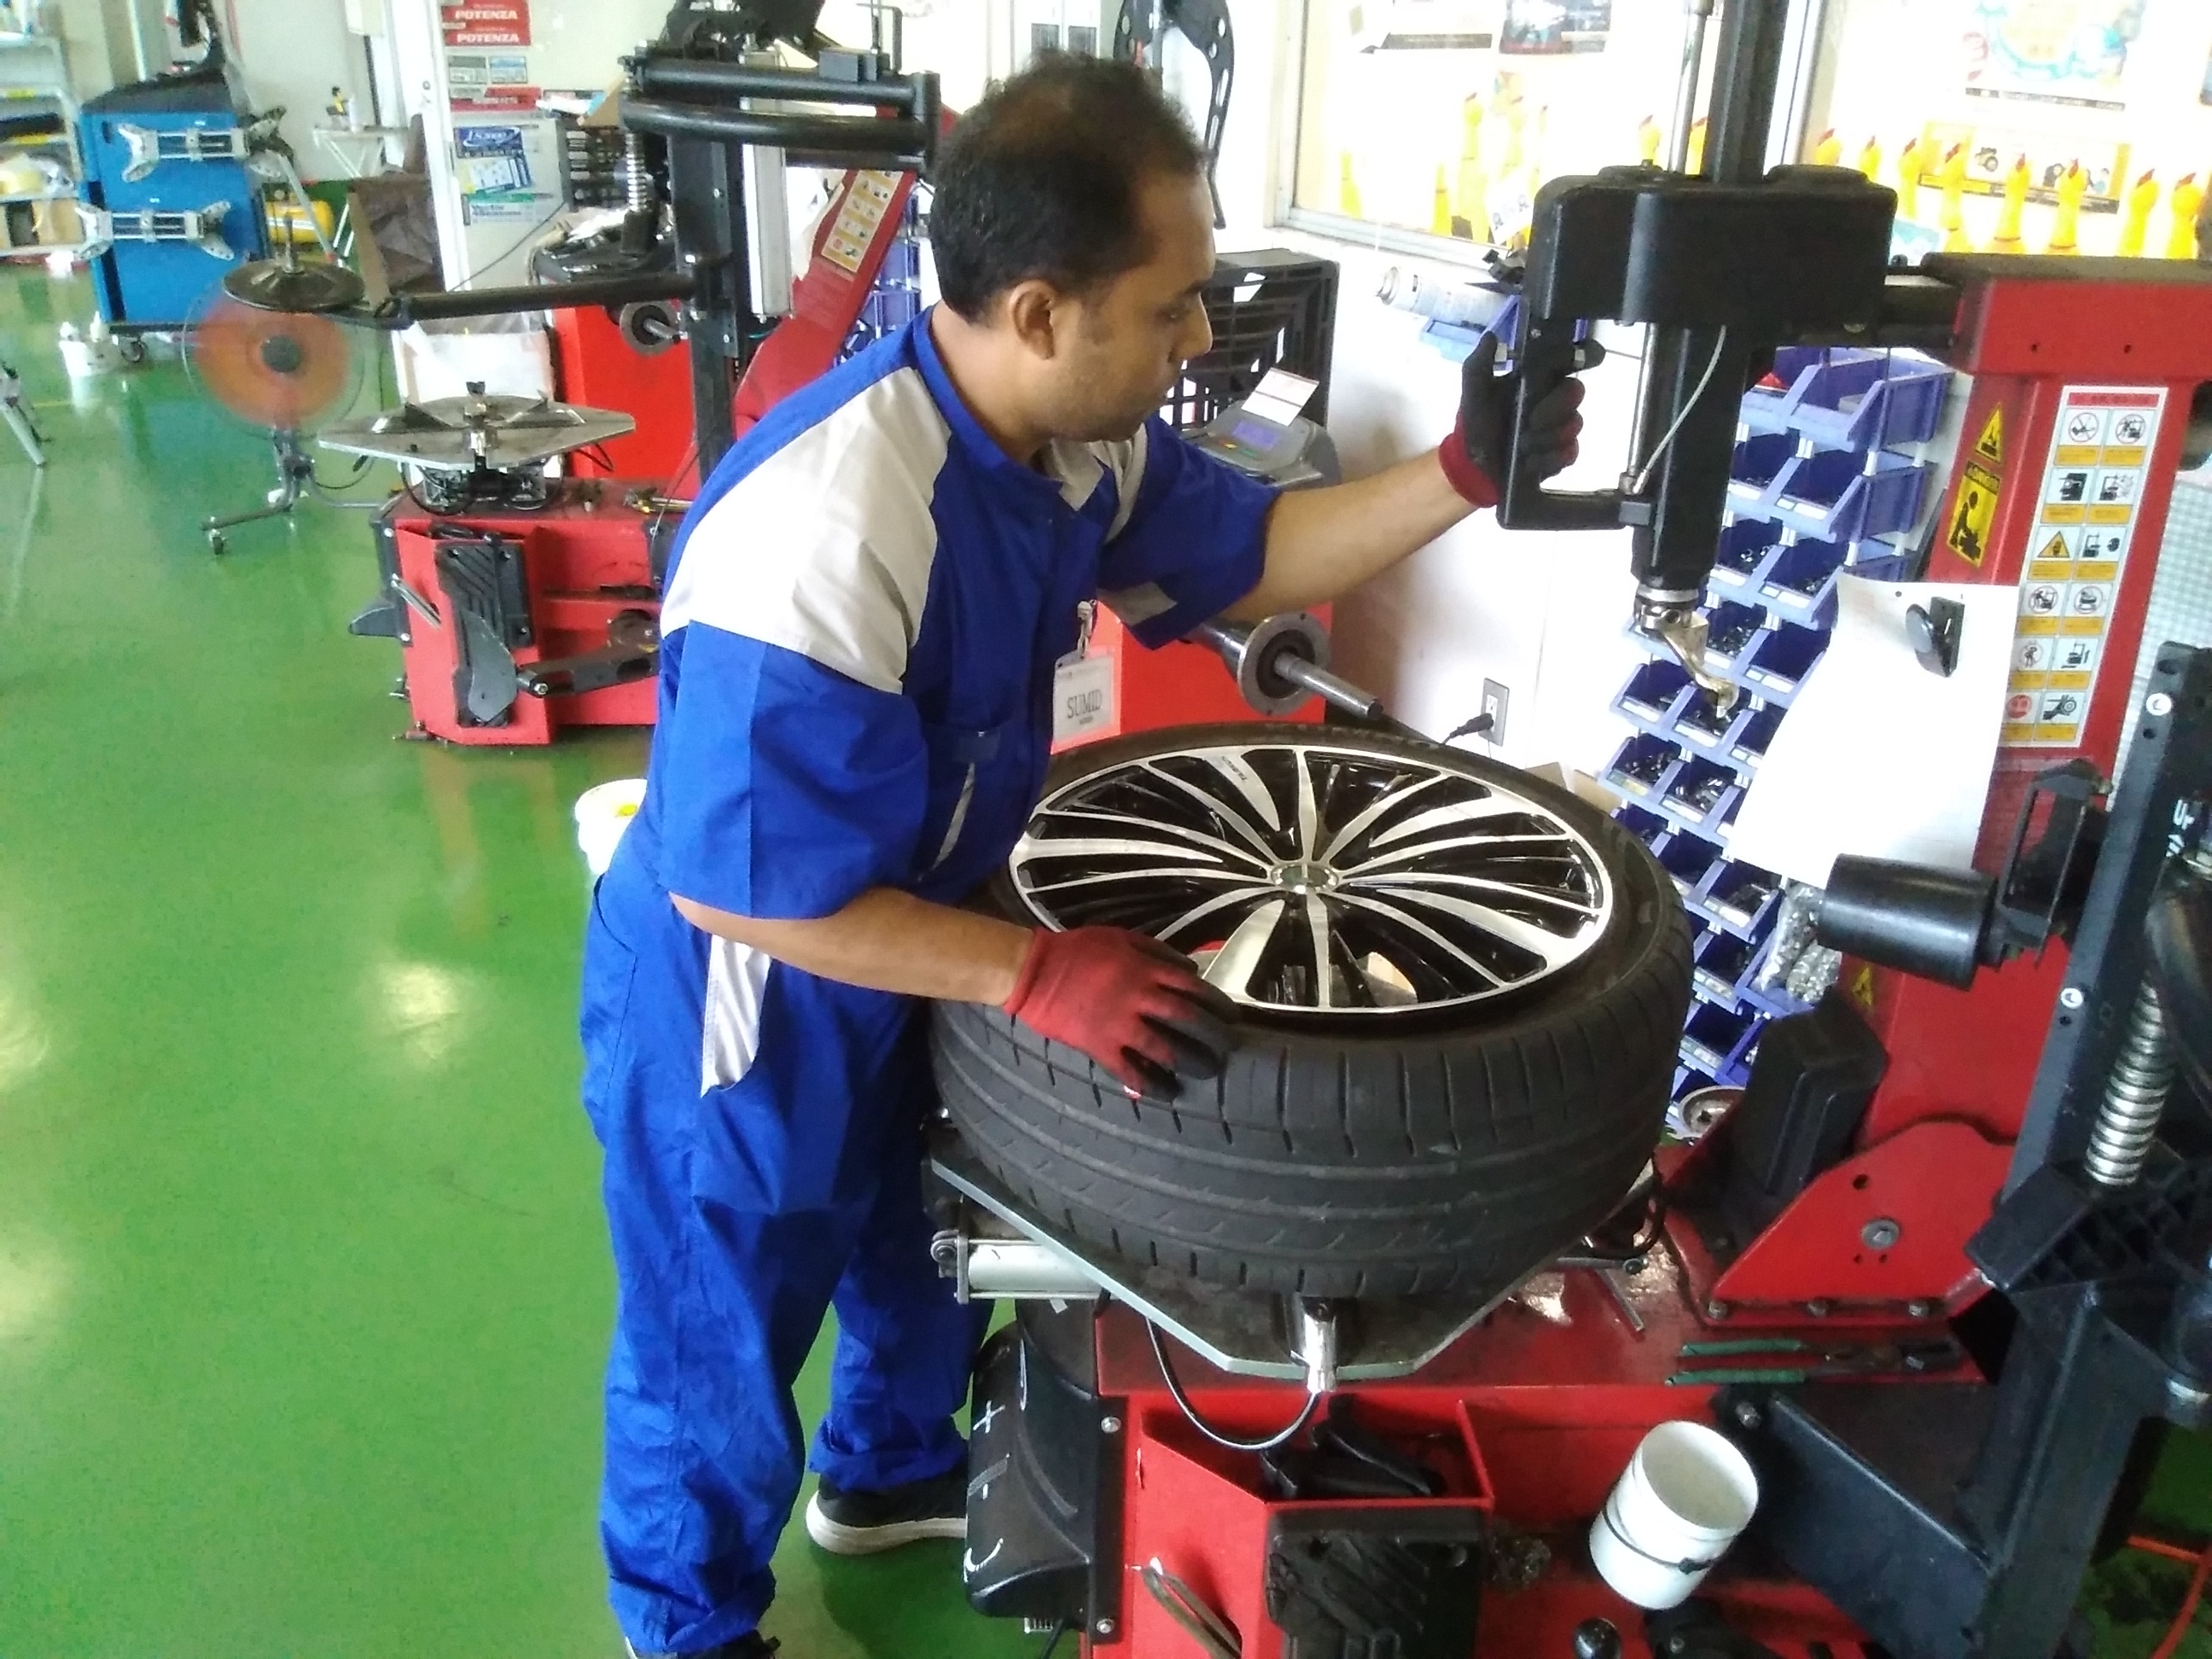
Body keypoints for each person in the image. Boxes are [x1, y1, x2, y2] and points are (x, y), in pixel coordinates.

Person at [578, 54, 1584, 1659]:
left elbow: (1256, 553)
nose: (1198, 340)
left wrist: (1468, 472)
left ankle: (888, 1474)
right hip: (748, 989)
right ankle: (687, 1625)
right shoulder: (829, 531)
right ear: (1041, 313)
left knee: (914, 1228)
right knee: (725, 1311)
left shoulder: (1070, 445)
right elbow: (742, 887)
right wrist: (1031, 971)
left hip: (913, 916)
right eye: (1172, 307)